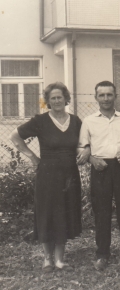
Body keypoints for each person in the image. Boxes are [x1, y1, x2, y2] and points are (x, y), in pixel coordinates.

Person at [10, 82, 89, 272]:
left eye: (59, 97)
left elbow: (83, 143)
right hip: (47, 174)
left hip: (69, 174)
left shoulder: (76, 121)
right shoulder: (40, 121)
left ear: (65, 99)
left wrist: (85, 151)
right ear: (47, 101)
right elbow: (15, 136)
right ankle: (47, 259)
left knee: (64, 213)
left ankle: (60, 259)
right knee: (47, 213)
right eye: (52, 98)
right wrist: (33, 157)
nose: (56, 101)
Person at [79, 80, 120, 271]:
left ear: (115, 96)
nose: (106, 98)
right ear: (96, 97)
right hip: (101, 168)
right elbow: (83, 147)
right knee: (102, 212)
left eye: (109, 94)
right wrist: (92, 160)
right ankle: (102, 254)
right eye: (102, 95)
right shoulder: (88, 121)